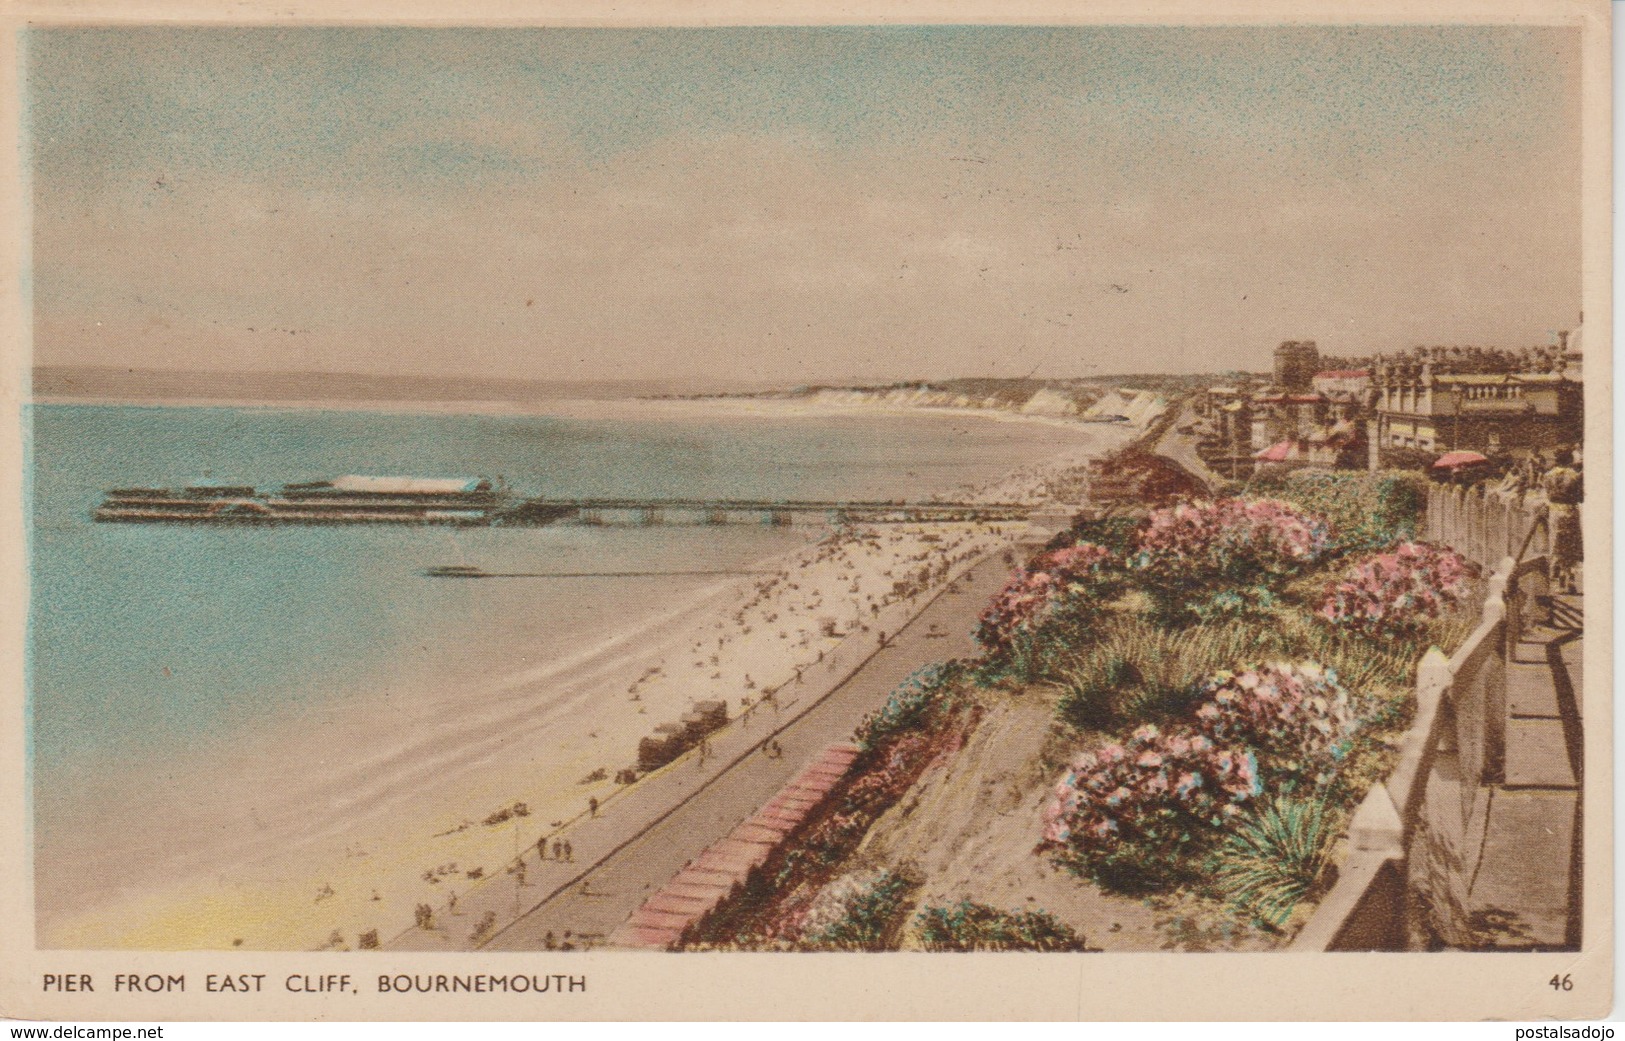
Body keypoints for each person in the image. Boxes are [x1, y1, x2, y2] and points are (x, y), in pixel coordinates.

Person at [1542, 450, 1583, 594]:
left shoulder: (1548, 475)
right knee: (1571, 546)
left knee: (1557, 545)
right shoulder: (1574, 475)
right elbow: (1581, 496)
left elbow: (1547, 494)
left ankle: (1558, 580)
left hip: (1555, 510)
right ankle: (1570, 579)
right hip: (1570, 509)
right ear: (1570, 460)